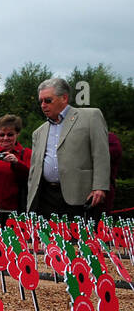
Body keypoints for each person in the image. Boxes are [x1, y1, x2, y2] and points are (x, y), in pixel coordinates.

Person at [26, 77, 111, 218]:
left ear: (64, 98)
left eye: (48, 100)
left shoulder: (91, 117)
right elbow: (34, 169)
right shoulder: (38, 132)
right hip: (46, 197)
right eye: (40, 101)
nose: (43, 105)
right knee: (49, 239)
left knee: (81, 239)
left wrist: (100, 187)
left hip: (80, 195)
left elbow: (101, 154)